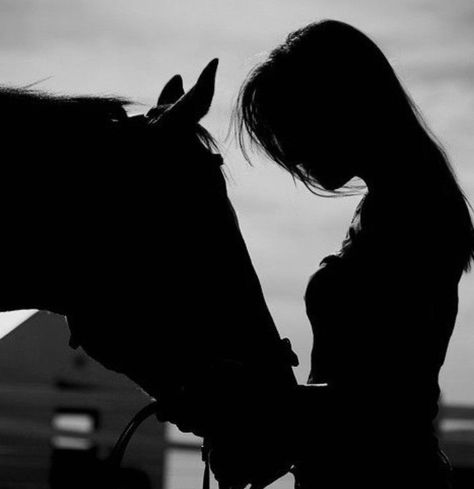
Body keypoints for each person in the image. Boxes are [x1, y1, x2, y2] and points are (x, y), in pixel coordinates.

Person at [234, 19, 474, 489]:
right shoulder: (398, 204)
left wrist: (256, 407)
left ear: (338, 106)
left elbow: (384, 403)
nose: (285, 148)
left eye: (289, 124)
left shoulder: (414, 212)